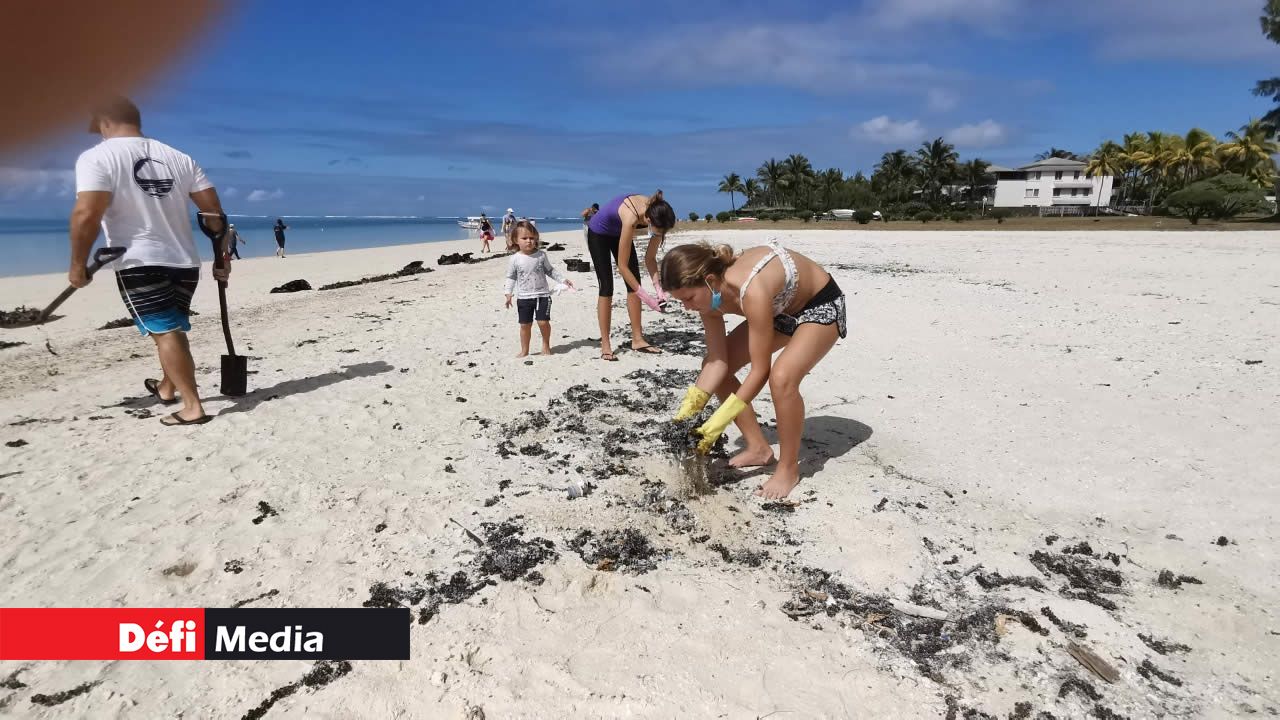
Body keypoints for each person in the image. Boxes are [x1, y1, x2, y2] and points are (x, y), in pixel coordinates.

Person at [68, 95, 230, 426]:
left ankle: (193, 406)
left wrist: (77, 265)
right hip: (185, 261)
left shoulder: (97, 158)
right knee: (169, 328)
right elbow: (213, 213)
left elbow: (86, 214)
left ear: (104, 121)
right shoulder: (177, 156)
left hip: (138, 261)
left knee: (166, 332)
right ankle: (166, 388)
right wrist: (221, 256)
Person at [660, 241, 847, 499]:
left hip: (819, 305)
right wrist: (686, 414)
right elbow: (717, 363)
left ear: (709, 280)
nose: (687, 307)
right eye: (680, 301)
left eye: (689, 298)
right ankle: (759, 448)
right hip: (780, 311)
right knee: (714, 368)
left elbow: (760, 371)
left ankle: (788, 468)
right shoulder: (709, 300)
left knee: (782, 378)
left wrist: (717, 423)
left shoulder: (751, 290)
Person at [585, 191, 676, 361]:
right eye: (658, 231)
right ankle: (605, 344)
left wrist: (659, 290)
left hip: (617, 232)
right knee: (607, 287)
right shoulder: (631, 216)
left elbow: (649, 258)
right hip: (599, 233)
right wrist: (648, 299)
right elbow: (622, 267)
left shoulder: (658, 215)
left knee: (634, 283)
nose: (659, 234)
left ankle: (638, 339)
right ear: (648, 220)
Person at [503, 220, 573, 357]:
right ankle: (525, 350)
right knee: (525, 325)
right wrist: (508, 293)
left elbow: (550, 271)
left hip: (543, 296)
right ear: (516, 240)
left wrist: (563, 280)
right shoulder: (515, 259)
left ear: (536, 239)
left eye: (532, 238)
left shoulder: (541, 255)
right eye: (524, 238)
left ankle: (546, 346)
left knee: (543, 322)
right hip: (524, 297)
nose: (528, 241)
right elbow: (511, 277)